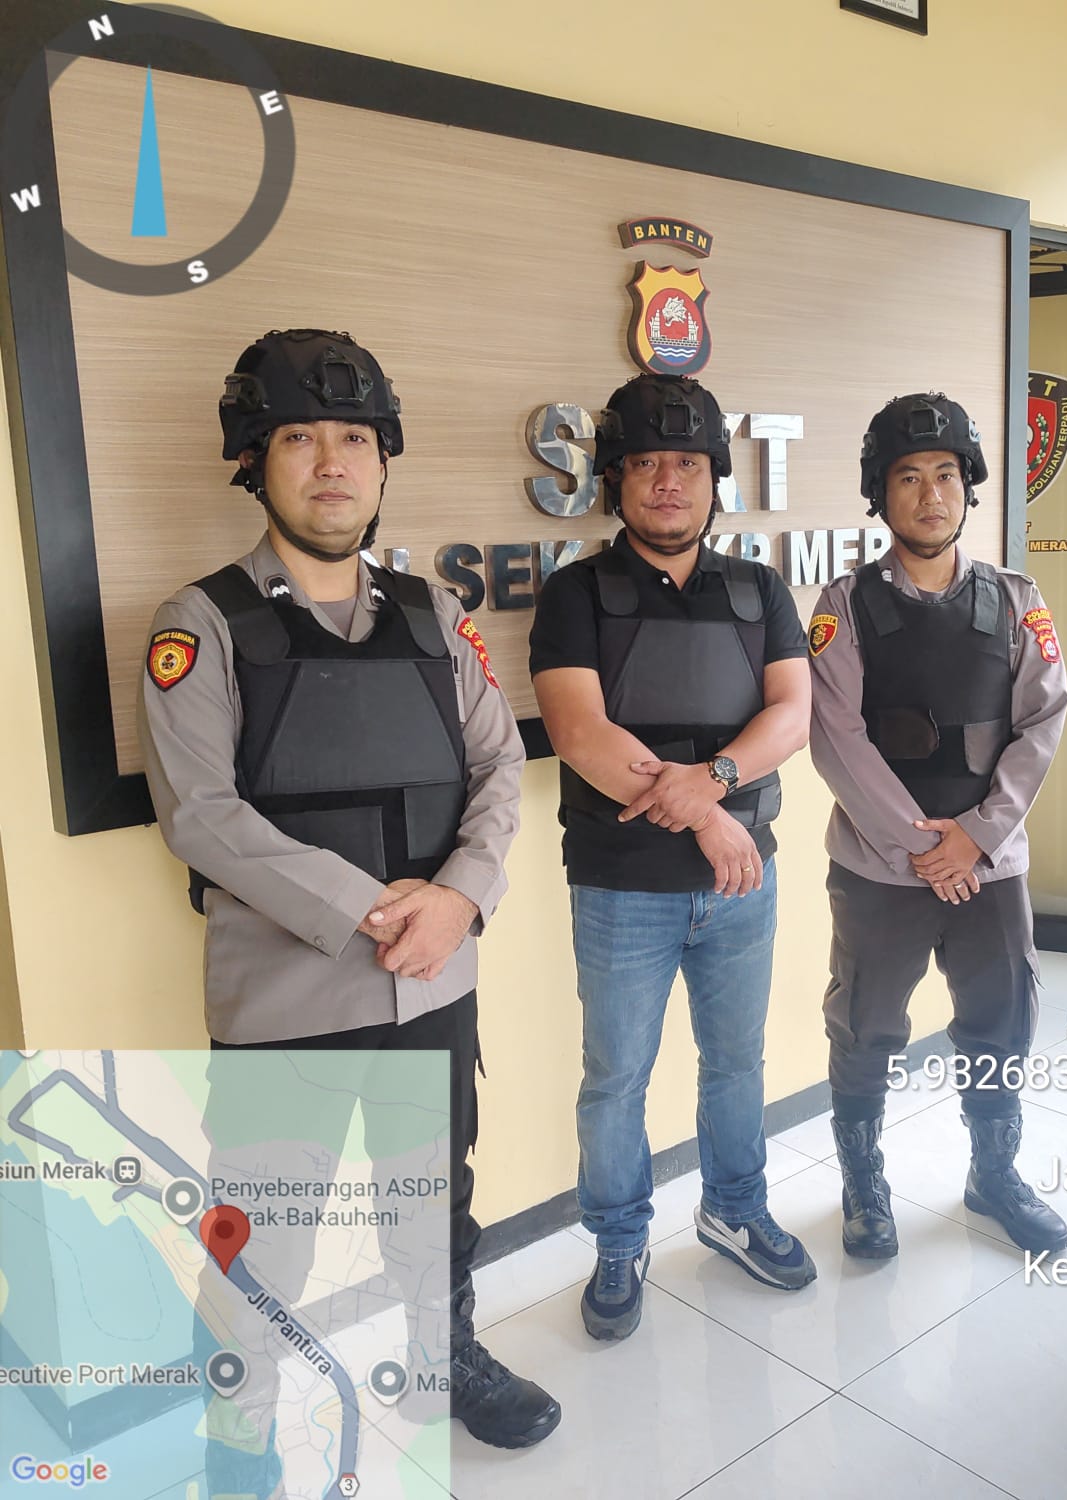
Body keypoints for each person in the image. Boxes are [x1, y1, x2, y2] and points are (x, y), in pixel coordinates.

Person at [137, 328, 561, 1452]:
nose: (332, 462)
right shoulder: (201, 624)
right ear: (254, 458)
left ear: (383, 461)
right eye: (300, 438)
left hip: (436, 978)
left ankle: (445, 1360)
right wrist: (378, 911)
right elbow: (201, 814)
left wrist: (459, 898)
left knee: (433, 1201)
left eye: (356, 439)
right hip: (291, 998)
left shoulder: (434, 616)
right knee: (266, 1233)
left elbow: (499, 767)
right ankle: (238, 1426)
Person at [529, 372, 815, 1343]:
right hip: (624, 887)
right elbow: (579, 732)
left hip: (742, 884)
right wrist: (708, 818)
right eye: (646, 462)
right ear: (614, 478)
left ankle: (734, 1209)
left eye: (687, 464)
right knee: (616, 1077)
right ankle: (619, 1242)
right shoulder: (575, 594)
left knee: (737, 1062)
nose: (666, 481)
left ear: (714, 478)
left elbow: (793, 714)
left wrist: (718, 781)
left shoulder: (759, 590)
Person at [807, 392, 1067, 1261]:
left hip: (989, 864)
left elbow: (1043, 721)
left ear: (969, 486)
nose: (931, 495)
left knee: (1001, 1018)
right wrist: (928, 846)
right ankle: (864, 1183)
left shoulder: (1016, 600)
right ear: (880, 495)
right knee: (866, 1024)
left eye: (947, 476)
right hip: (883, 867)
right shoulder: (844, 606)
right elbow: (836, 736)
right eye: (909, 478)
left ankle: (994, 1175)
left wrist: (977, 837)